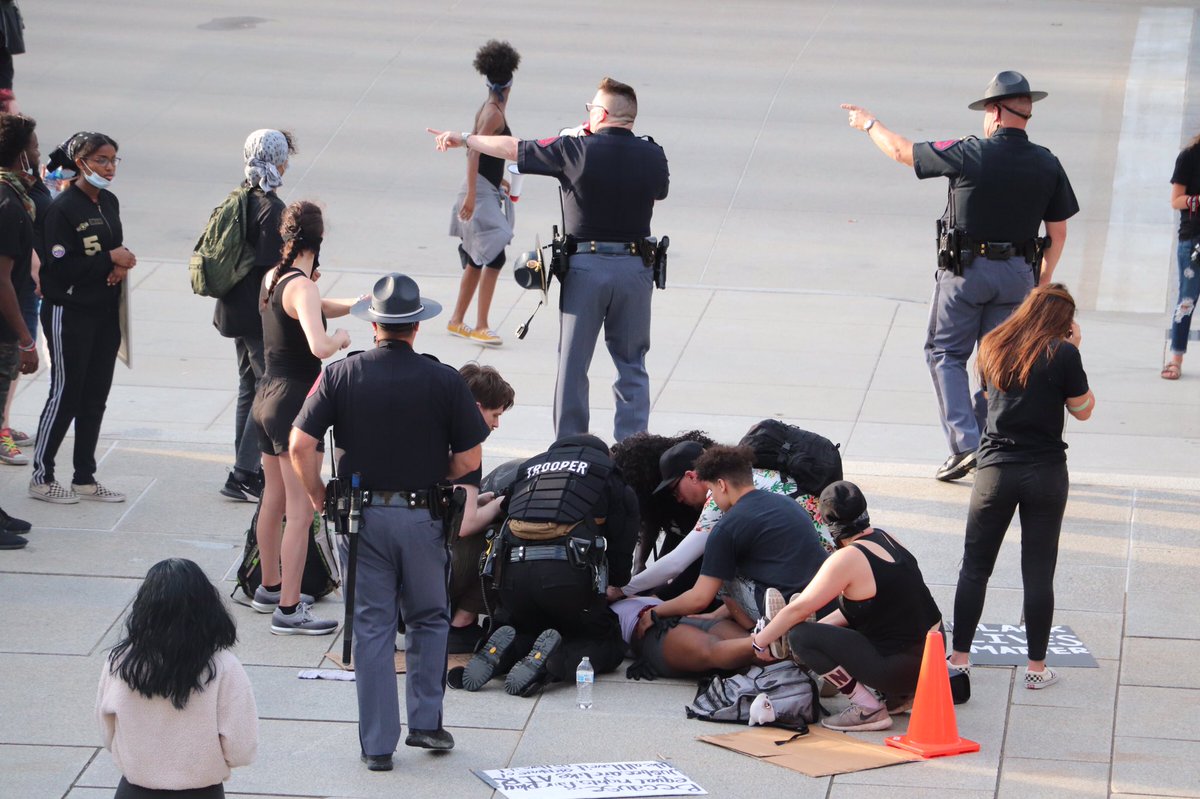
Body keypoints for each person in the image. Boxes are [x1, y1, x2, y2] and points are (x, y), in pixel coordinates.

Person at [290, 272, 490, 771]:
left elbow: (299, 445)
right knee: (428, 617)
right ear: (417, 326)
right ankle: (426, 723)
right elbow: (469, 460)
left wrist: (317, 495)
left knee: (374, 627)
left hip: (363, 520)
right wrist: (431, 474)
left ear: (374, 324)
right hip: (423, 516)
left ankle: (378, 746)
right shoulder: (443, 378)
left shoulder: (342, 373)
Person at [841, 70, 1079, 482]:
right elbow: (1057, 233)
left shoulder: (969, 153)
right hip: (1018, 276)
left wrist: (868, 124)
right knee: (999, 360)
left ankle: (966, 445)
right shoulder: (1047, 163)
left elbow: (901, 151)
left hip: (966, 274)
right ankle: (988, 438)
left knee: (945, 354)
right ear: (1025, 114)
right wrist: (1040, 280)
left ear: (993, 112)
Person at [429, 75, 670, 441]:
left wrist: (464, 137)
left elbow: (513, 148)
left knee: (573, 366)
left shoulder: (574, 149)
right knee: (632, 364)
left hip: (586, 269)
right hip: (636, 270)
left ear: (601, 113)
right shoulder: (653, 154)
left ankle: (572, 446)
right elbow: (659, 192)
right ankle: (634, 446)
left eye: (591, 108)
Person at [948, 283, 1093, 690]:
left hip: (995, 469)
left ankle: (959, 658)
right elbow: (1083, 410)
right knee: (1038, 571)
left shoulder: (994, 344)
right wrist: (1075, 350)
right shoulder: (1063, 354)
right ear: (1062, 322)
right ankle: (1036, 668)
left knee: (975, 567)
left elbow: (987, 397)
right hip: (1045, 472)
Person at [751, 481, 944, 732]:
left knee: (801, 636)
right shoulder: (886, 537)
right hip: (933, 659)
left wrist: (761, 640)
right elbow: (857, 609)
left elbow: (798, 609)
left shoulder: (848, 558)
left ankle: (868, 709)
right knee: (838, 621)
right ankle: (902, 695)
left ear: (826, 521)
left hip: (899, 668)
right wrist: (821, 632)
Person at [460, 433, 638, 697]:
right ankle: (552, 663)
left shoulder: (527, 471)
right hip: (567, 581)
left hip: (512, 581)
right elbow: (622, 559)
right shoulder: (608, 475)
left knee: (528, 627)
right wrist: (610, 587)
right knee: (605, 642)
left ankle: (503, 652)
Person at [249, 201, 353, 634]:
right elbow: (319, 346)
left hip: (265, 397)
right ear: (319, 240)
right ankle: (289, 610)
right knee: (300, 510)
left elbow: (314, 304)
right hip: (294, 403)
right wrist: (342, 339)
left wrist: (358, 303)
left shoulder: (274, 278)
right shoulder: (303, 287)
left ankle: (269, 587)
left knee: (272, 499)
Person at [97, 558, 258, 798]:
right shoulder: (224, 666)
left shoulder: (119, 661)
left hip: (134, 791)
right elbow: (241, 749)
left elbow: (107, 732)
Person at [31, 131, 133, 504]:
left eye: (113, 160)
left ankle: (84, 478)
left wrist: (118, 266)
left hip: (104, 311)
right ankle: (42, 476)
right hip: (68, 312)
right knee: (66, 393)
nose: (108, 168)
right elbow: (59, 269)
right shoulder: (61, 209)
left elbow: (112, 248)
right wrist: (109, 261)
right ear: (81, 162)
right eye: (101, 160)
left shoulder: (108, 201)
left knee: (95, 396)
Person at [610, 439, 834, 603]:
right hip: (827, 564)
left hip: (806, 578)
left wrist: (624, 590)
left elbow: (676, 563)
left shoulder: (719, 496)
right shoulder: (755, 475)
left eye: (674, 488)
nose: (676, 498)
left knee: (720, 569)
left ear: (691, 476)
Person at [646, 445, 829, 629]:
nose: (712, 499)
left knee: (722, 572)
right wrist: (715, 615)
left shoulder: (727, 527)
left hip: (781, 602)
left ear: (722, 485)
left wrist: (656, 611)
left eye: (711, 490)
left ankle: (757, 631)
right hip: (819, 597)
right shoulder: (787, 502)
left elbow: (699, 598)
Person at [215, 129, 295, 501]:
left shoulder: (242, 195)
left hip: (235, 310)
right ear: (277, 160)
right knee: (267, 389)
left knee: (249, 388)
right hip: (257, 316)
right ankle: (244, 473)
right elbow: (270, 268)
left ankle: (243, 467)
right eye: (284, 157)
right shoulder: (271, 207)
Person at [445, 40, 520, 347]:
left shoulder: (490, 108)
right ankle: (482, 325)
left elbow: (486, 154)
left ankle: (456, 321)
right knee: (496, 254)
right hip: (478, 192)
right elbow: (474, 151)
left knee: (478, 259)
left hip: (485, 187)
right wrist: (474, 196)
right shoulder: (494, 115)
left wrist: (497, 181)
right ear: (509, 84)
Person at [447, 362, 514, 653]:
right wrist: (501, 504)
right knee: (501, 531)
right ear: (476, 408)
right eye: (495, 414)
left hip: (404, 566)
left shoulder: (432, 429)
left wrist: (480, 500)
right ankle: (462, 622)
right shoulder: (468, 445)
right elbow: (464, 525)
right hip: (443, 567)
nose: (497, 424)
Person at [0, 111, 35, 546]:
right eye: (35, 148)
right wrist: (25, 338)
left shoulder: (13, 195)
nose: (39, 155)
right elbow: (2, 279)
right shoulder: (8, 204)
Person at [1163, 132, 1200, 380]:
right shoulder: (1189, 156)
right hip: (1193, 239)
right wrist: (1197, 201)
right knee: (1186, 299)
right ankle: (1176, 357)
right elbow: (1175, 200)